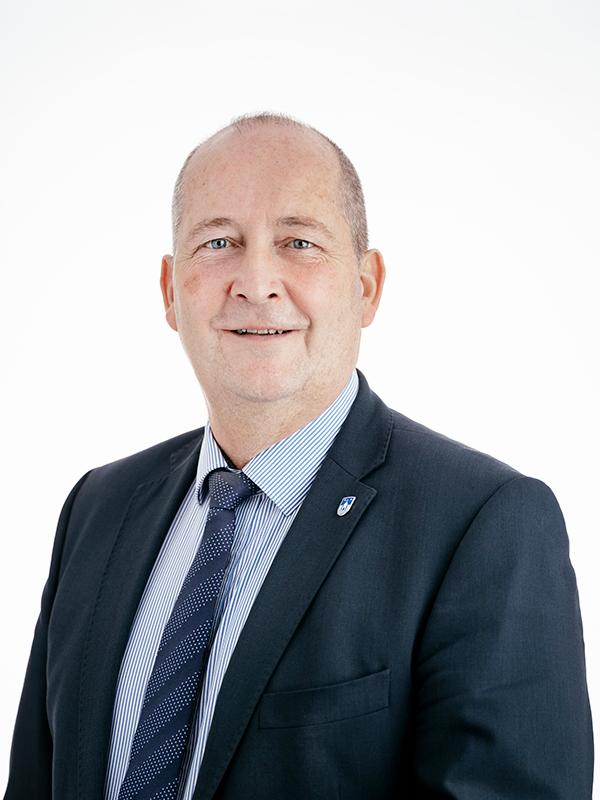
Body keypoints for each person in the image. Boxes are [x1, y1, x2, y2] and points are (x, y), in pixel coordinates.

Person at [4, 112, 593, 800]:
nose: (256, 282)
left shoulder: (484, 525)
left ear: (367, 286)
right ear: (169, 291)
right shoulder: (97, 510)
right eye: (218, 242)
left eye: (299, 242)